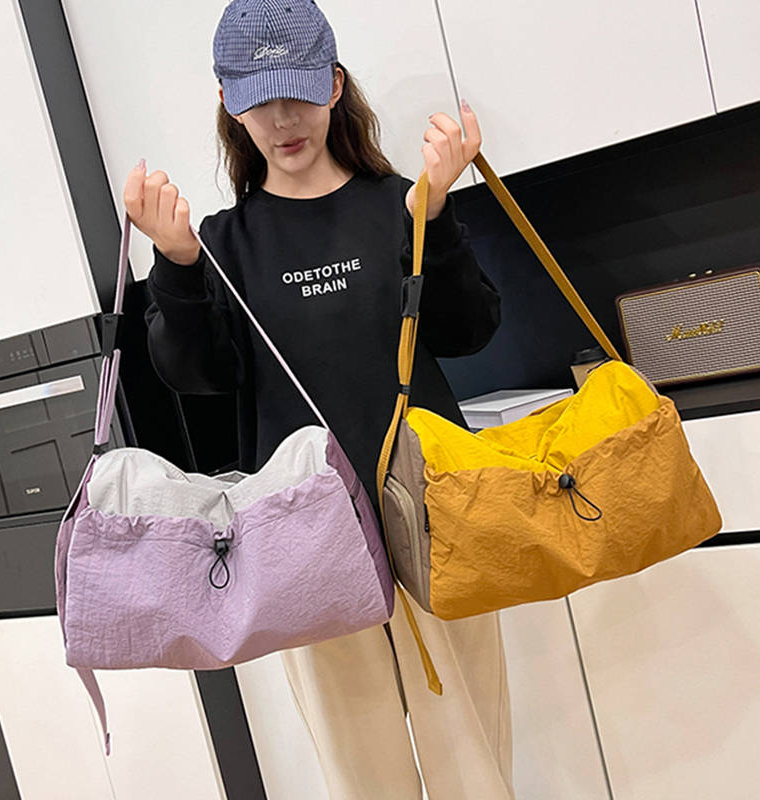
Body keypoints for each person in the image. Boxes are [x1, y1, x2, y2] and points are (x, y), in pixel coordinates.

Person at [124, 1, 514, 798]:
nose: (282, 120)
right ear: (228, 103)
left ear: (333, 85)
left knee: (474, 761)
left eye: (298, 93)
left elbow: (468, 329)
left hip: (438, 519)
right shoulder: (223, 245)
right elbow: (198, 375)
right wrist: (175, 263)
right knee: (361, 773)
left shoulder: (402, 204)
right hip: (302, 541)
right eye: (258, 100)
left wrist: (437, 217)